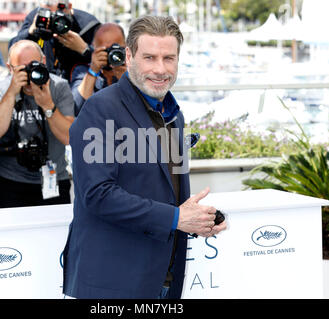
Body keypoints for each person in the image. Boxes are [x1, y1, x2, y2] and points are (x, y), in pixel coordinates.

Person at [62, 16, 227, 299]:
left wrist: (196, 219)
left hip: (163, 280)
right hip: (112, 283)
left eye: (168, 58)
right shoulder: (99, 110)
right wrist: (176, 218)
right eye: (149, 57)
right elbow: (97, 194)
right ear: (129, 56)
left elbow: (164, 193)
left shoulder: (175, 115)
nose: (160, 69)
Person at [0, 39, 75, 209]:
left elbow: (69, 137)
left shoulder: (59, 87)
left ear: (43, 62)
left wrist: (48, 105)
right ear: (10, 68)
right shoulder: (3, 89)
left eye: (33, 65)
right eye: (21, 69)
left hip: (54, 179)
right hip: (10, 180)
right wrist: (12, 93)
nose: (28, 74)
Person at [9, 0, 101, 80]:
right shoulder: (35, 18)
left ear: (69, 7)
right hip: (42, 76)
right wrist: (31, 32)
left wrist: (84, 49)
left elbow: (105, 62)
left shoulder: (88, 24)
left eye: (59, 15)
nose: (54, 21)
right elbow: (13, 49)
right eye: (49, 15)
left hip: (77, 78)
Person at [69, 22, 127, 116]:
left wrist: (126, 80)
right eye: (105, 50)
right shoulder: (83, 71)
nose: (111, 55)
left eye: (116, 49)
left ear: (125, 47)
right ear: (93, 47)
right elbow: (76, 107)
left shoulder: (136, 72)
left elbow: (144, 109)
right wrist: (93, 71)